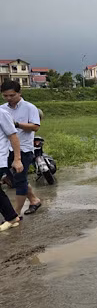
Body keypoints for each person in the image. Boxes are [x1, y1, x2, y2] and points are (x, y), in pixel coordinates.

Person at [1, 80, 42, 215]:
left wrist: (16, 124)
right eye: (5, 95)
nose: (8, 98)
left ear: (19, 93)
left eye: (12, 95)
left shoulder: (30, 107)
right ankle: (34, 200)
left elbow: (35, 126)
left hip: (24, 149)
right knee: (14, 180)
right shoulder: (2, 109)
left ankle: (16, 213)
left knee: (20, 180)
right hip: (6, 150)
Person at [0, 108, 24, 232]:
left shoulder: (2, 113)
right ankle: (12, 217)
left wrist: (17, 159)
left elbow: (13, 136)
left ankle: (12, 218)